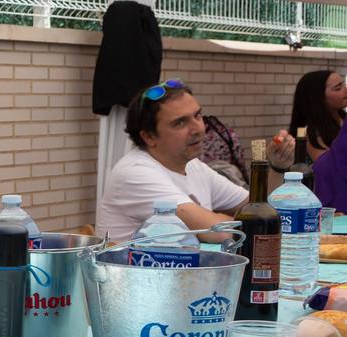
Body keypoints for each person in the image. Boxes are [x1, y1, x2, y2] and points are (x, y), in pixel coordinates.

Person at [97, 79, 293, 243]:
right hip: (137, 286)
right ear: (149, 137)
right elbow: (220, 233)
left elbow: (260, 206)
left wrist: (277, 166)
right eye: (180, 122)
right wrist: (226, 220)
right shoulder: (136, 173)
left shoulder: (192, 165)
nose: (198, 128)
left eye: (197, 115)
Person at [289, 69, 347, 162]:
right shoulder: (311, 134)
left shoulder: (343, 119)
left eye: (344, 84)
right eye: (338, 88)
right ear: (319, 97)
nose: (346, 90)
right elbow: (329, 168)